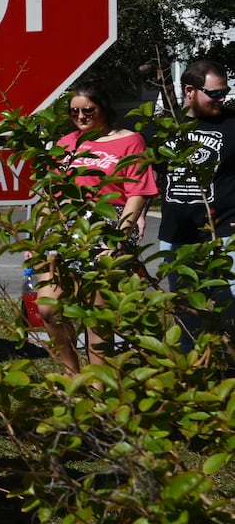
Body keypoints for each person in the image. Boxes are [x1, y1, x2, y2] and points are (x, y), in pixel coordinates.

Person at [36, 82, 157, 374]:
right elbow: (49, 194)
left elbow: (137, 192)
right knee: (48, 308)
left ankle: (98, 387)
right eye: (74, 111)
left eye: (88, 109)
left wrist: (118, 238)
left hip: (105, 225)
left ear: (103, 107)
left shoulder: (130, 141)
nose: (80, 116)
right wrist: (37, 237)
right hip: (64, 227)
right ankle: (72, 375)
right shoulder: (66, 144)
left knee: (96, 314)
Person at [158, 58, 235, 342]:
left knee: (232, 306)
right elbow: (146, 179)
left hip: (225, 234)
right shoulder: (164, 129)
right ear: (190, 90)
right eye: (214, 93)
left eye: (224, 92)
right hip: (178, 237)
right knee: (187, 313)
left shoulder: (232, 125)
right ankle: (191, 374)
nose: (221, 98)